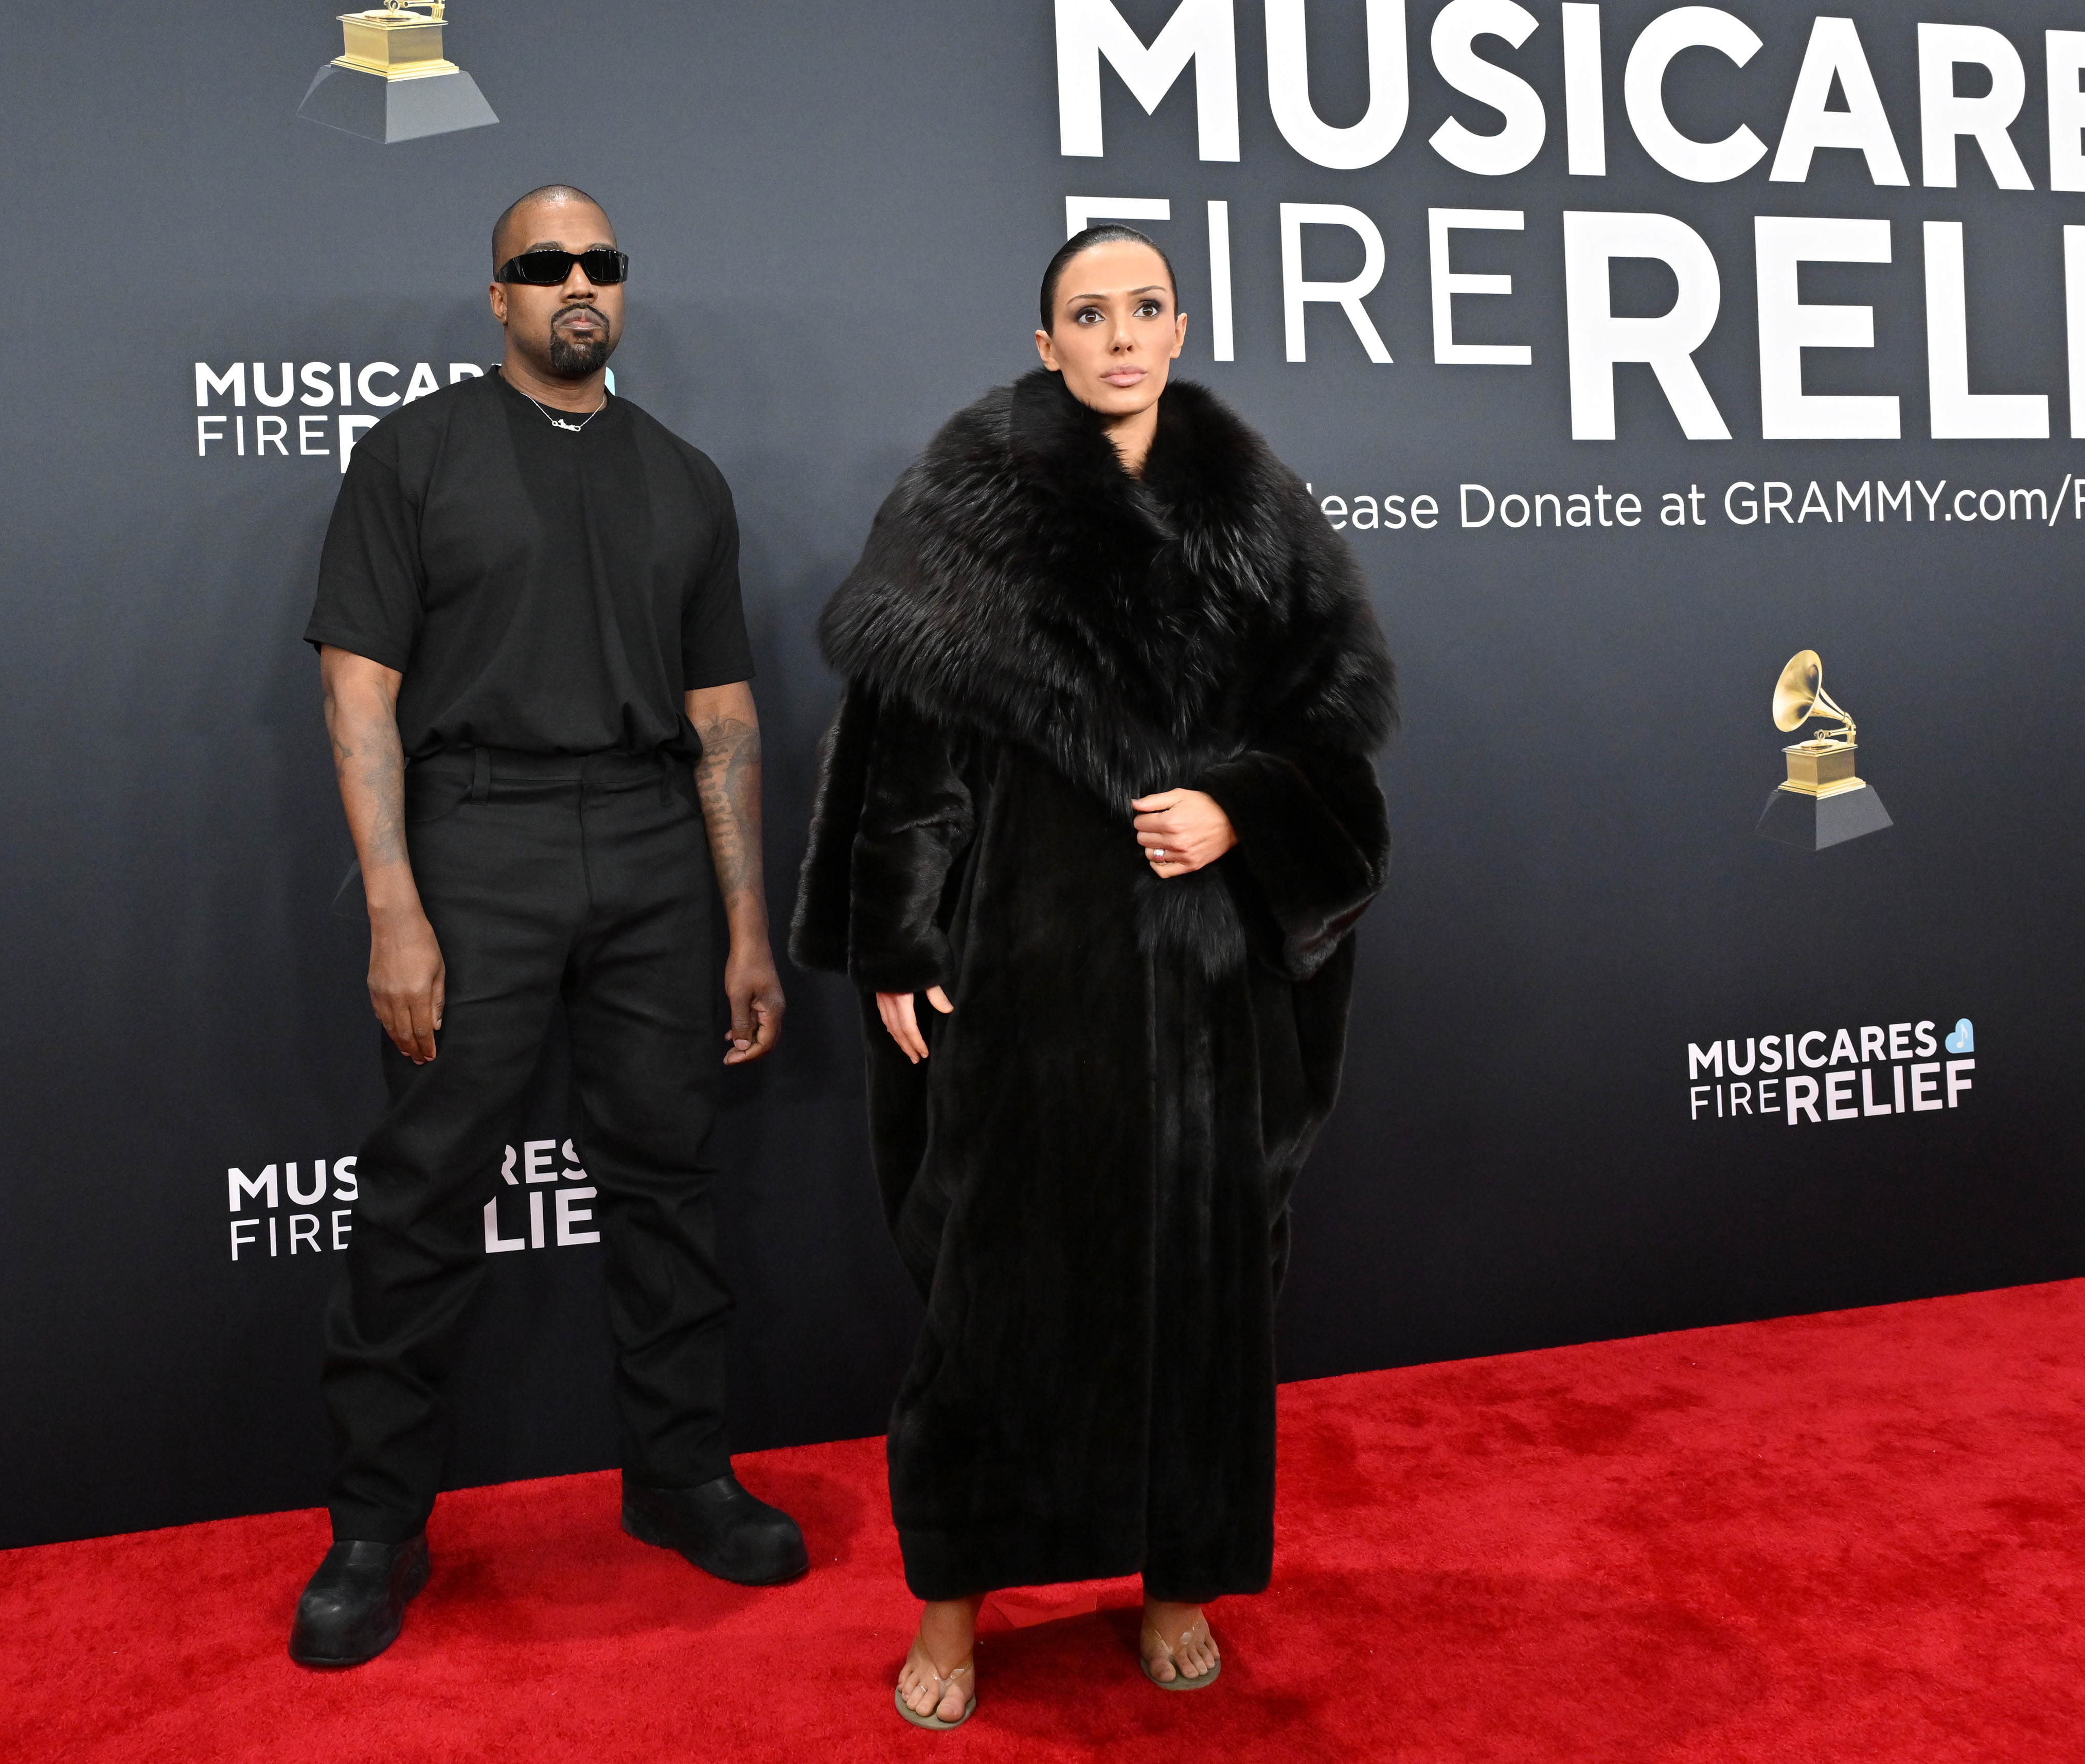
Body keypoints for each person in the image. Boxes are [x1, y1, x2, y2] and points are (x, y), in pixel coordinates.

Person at [791, 226, 1396, 1726]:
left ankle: (1177, 1584)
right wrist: (899, 941)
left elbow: (1337, 766)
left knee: (1200, 1301)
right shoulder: (961, 510)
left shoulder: (1265, 517)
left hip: (1203, 1001)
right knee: (988, 1305)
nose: (1119, 336)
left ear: (1180, 324)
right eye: (1087, 313)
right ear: (1045, 338)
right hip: (1026, 975)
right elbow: (905, 758)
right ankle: (953, 1609)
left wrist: (1239, 807)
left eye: (1143, 308)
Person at [289, 184, 805, 1669]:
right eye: (545, 264)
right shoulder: (417, 454)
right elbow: (358, 695)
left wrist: (745, 924)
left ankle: (682, 1481)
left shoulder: (685, 479)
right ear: (498, 295)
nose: (578, 283)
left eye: (602, 263)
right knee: (423, 1191)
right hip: (479, 843)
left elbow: (723, 718)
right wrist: (394, 905)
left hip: (655, 848)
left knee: (668, 1179)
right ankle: (377, 1527)